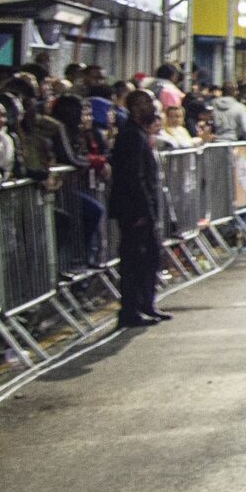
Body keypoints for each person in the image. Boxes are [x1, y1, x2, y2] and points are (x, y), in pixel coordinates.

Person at [106, 90, 168, 327]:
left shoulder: (140, 134)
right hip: (134, 210)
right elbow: (134, 177)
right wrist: (143, 211)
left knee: (150, 256)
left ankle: (146, 303)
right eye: (148, 103)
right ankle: (130, 310)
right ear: (136, 107)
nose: (153, 107)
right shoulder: (131, 136)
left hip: (143, 207)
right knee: (134, 260)